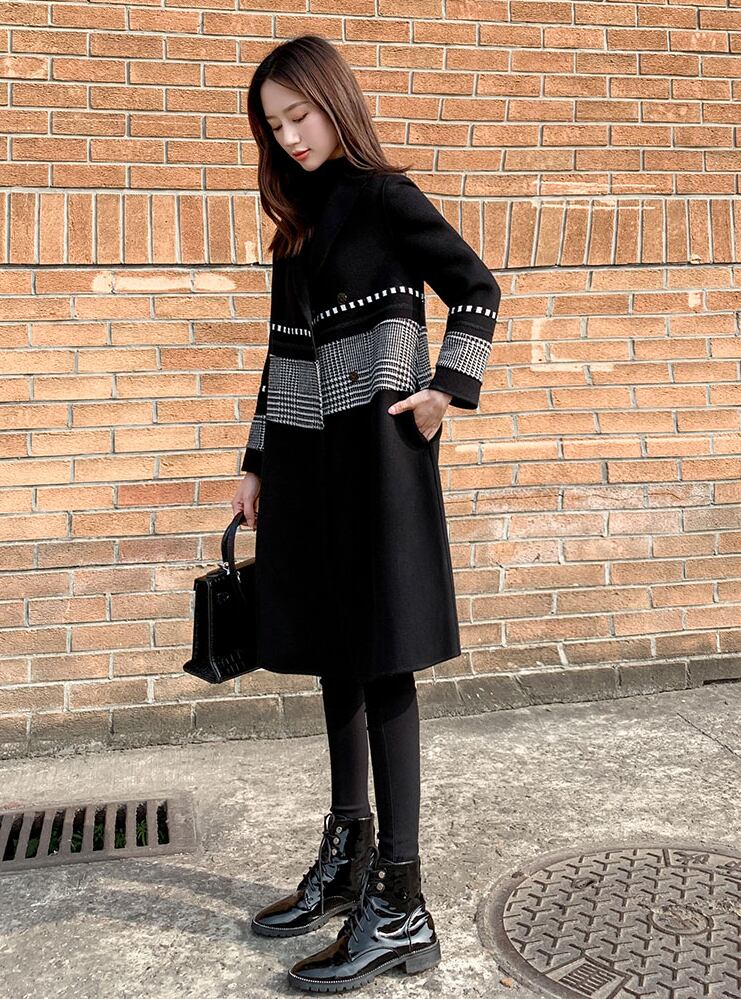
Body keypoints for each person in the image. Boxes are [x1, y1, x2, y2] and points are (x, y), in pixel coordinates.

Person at [230, 34, 501, 994]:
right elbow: (279, 354)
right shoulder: (297, 226)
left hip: (378, 467)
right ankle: (347, 857)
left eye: (298, 115)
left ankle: (401, 903)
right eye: (273, 126)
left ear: (333, 103)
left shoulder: (385, 197)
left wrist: (444, 390)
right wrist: (255, 463)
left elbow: (476, 288)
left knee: (383, 661)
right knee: (332, 657)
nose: (289, 137)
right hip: (308, 468)